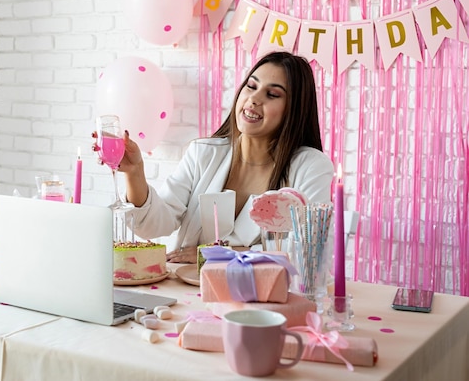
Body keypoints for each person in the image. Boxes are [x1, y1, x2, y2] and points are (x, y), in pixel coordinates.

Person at [94, 51, 334, 263]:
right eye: (251, 86)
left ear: (294, 109)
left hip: (258, 304)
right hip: (186, 291)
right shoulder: (203, 153)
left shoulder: (311, 167)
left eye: (272, 94)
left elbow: (308, 251)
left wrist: (221, 255)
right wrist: (135, 172)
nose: (254, 98)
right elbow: (155, 224)